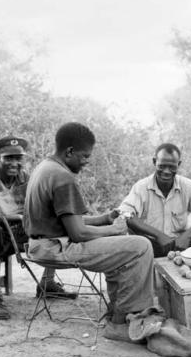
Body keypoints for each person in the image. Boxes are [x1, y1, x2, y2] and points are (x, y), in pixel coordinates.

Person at [23, 122, 156, 341]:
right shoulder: (63, 177)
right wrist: (112, 230)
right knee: (141, 246)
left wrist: (103, 219)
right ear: (70, 152)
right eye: (84, 156)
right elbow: (78, 234)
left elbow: (65, 220)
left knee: (124, 252)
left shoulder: (45, 168)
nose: (86, 161)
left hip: (42, 245)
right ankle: (121, 323)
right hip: (54, 249)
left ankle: (120, 313)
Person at [0, 135, 76, 321]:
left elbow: (42, 205)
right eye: (8, 158)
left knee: (57, 220)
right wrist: (12, 217)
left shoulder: (27, 179)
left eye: (18, 158)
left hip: (15, 234)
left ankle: (47, 284)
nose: (14, 163)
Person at [119, 143, 191, 258]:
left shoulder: (187, 186)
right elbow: (125, 213)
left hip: (182, 245)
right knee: (129, 229)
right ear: (154, 162)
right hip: (152, 245)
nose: (166, 171)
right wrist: (159, 236)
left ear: (178, 165)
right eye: (162, 166)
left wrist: (187, 236)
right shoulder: (141, 187)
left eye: (172, 167)